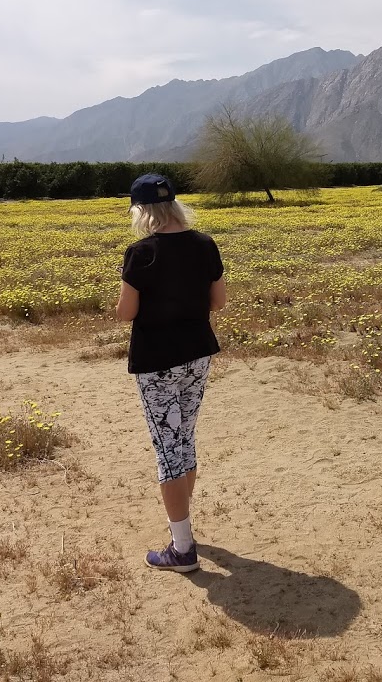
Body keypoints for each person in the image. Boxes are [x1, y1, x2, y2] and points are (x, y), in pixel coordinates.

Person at [116, 173, 226, 573]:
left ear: (142, 211)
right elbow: (218, 302)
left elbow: (126, 312)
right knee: (183, 440)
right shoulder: (205, 244)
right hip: (197, 353)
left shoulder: (141, 252)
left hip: (157, 361)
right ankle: (183, 525)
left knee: (168, 450)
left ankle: (182, 548)